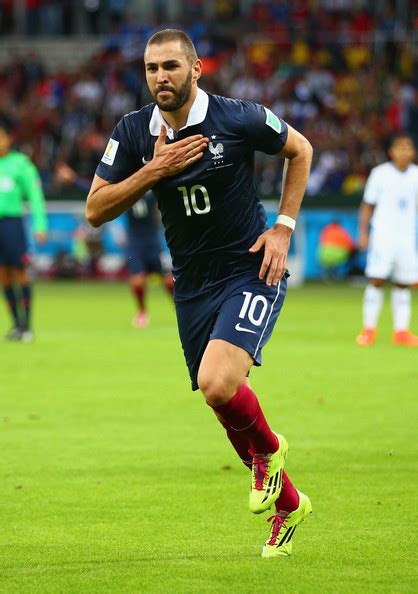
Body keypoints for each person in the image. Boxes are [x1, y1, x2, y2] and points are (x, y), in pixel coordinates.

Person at [86, 29, 313, 557]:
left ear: (196, 69)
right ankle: (289, 504)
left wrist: (283, 227)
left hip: (250, 268)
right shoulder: (134, 132)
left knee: (218, 383)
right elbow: (96, 210)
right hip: (191, 284)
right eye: (151, 68)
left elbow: (300, 150)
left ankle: (271, 451)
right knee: (223, 404)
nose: (160, 77)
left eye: (170, 66)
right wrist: (153, 170)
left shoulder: (238, 117)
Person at [356, 134, 418, 347]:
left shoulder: (416, 176)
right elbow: (367, 205)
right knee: (377, 280)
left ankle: (401, 331)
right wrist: (363, 233)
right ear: (391, 151)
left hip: (407, 238)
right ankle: (368, 330)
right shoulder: (380, 174)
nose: (404, 151)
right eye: (400, 148)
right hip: (383, 236)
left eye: (408, 148)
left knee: (403, 284)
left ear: (413, 152)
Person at [0, 118, 48, 342]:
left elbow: (35, 197)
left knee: (19, 272)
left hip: (12, 224)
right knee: (4, 276)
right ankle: (16, 325)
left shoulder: (20, 164)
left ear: (9, 138)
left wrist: (40, 225)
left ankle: (27, 325)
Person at [126, 191, 174, 328]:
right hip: (135, 243)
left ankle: (181, 308)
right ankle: (142, 311)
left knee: (170, 282)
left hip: (153, 242)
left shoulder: (152, 190)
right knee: (137, 282)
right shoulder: (127, 190)